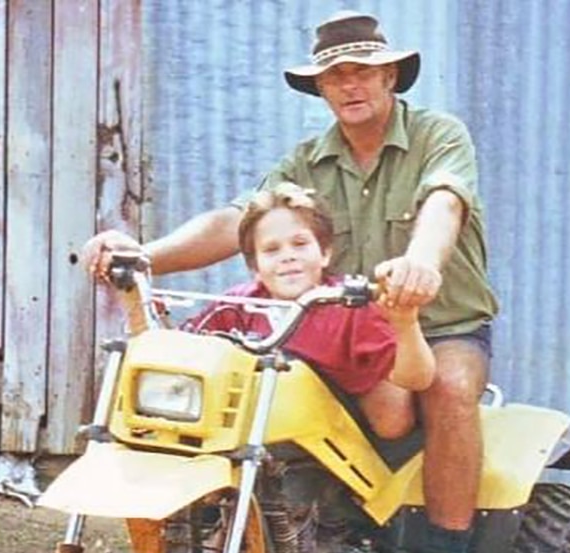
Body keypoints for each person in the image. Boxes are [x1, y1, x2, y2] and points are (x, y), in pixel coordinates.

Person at [83, 11, 498, 553]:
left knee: (449, 389)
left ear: (389, 77)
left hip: (438, 324)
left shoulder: (437, 135)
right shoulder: (307, 161)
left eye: (361, 71)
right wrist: (143, 257)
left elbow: (444, 204)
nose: (349, 84)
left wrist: (420, 264)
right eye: (334, 76)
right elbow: (239, 220)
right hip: (337, 324)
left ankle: (445, 543)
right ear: (321, 88)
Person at [188, 182, 435, 439]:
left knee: (391, 422)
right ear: (255, 267)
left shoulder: (349, 305)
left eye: (300, 243)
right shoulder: (237, 305)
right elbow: (183, 348)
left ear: (325, 253)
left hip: (337, 433)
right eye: (272, 250)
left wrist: (405, 322)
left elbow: (417, 379)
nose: (288, 256)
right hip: (259, 430)